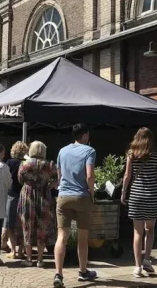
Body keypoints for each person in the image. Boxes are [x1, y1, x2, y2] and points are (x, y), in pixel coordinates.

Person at [54, 123, 98, 287]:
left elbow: (59, 176)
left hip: (64, 195)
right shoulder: (89, 151)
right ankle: (83, 271)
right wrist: (92, 194)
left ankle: (58, 274)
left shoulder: (62, 151)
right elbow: (90, 175)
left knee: (62, 237)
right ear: (85, 135)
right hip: (81, 197)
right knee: (82, 238)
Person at [122, 127, 157, 278]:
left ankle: (137, 267)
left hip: (136, 195)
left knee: (137, 232)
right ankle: (147, 260)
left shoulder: (131, 154)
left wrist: (123, 192)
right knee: (150, 230)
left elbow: (127, 175)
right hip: (152, 195)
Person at [18, 140, 57, 268]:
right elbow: (59, 177)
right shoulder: (50, 164)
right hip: (44, 196)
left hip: (28, 196)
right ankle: (40, 259)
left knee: (27, 226)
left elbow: (19, 179)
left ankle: (29, 259)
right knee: (42, 227)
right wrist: (51, 185)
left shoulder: (25, 164)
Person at [3, 141, 28, 259]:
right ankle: (21, 251)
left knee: (11, 225)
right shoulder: (26, 164)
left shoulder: (9, 163)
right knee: (23, 225)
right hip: (24, 196)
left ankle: (13, 251)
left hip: (12, 195)